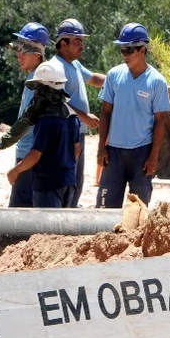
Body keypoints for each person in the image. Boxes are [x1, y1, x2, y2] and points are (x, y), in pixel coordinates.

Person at [96, 23, 170, 209]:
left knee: (139, 210)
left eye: (130, 50)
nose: (125, 54)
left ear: (142, 49)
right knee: (105, 209)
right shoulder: (114, 76)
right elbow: (105, 112)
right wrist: (101, 148)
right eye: (123, 50)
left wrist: (153, 156)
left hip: (141, 153)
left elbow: (160, 121)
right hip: (113, 153)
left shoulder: (157, 82)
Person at [0, 22, 50, 207]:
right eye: (17, 49)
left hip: (30, 158)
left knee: (20, 215)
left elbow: (26, 121)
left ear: (37, 53)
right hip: (34, 157)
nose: (19, 55)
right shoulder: (39, 77)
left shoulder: (38, 80)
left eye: (23, 50)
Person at [6, 61, 82, 208]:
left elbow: (35, 155)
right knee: (61, 228)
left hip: (48, 185)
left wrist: (15, 171)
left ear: (45, 89)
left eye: (38, 88)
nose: (36, 92)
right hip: (68, 182)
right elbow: (76, 149)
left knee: (47, 228)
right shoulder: (72, 115)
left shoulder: (46, 119)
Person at [49, 18, 106, 207]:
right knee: (66, 182)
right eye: (77, 41)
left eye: (82, 41)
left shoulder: (75, 65)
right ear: (63, 43)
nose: (82, 46)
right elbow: (57, 100)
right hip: (65, 135)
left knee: (77, 182)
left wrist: (120, 80)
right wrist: (85, 116)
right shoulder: (56, 67)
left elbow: (95, 79)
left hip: (78, 133)